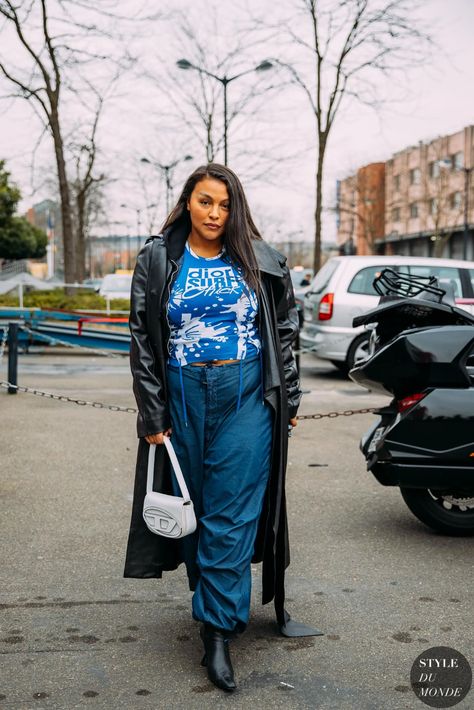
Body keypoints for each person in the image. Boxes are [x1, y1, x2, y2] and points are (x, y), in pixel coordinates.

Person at [124, 163, 313, 692]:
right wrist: (152, 411)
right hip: (183, 395)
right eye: (206, 201)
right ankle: (213, 601)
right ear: (188, 201)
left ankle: (216, 633)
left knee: (231, 515)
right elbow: (142, 336)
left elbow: (284, 330)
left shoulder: (260, 259)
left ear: (237, 209)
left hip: (248, 396)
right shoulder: (159, 257)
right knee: (196, 511)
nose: (215, 213)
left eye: (225, 205)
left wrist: (290, 396)